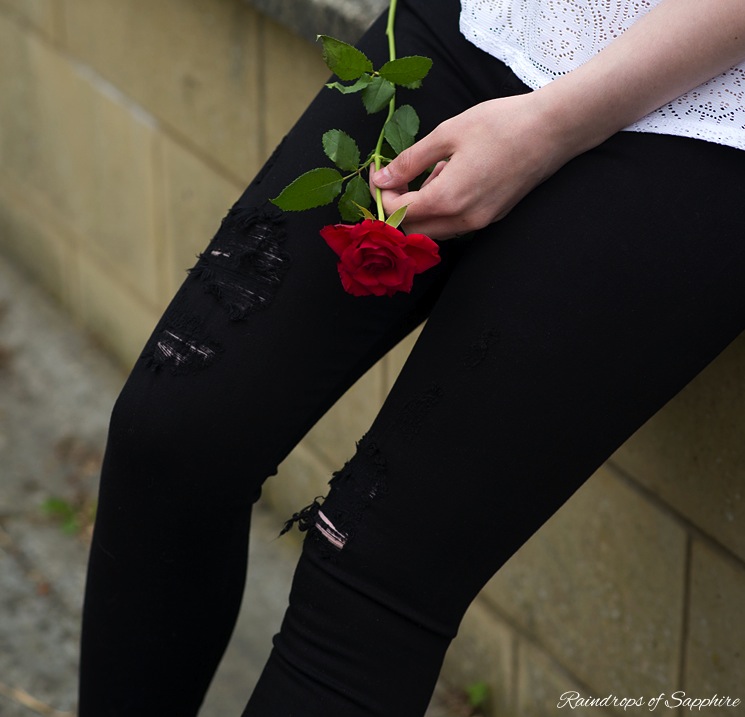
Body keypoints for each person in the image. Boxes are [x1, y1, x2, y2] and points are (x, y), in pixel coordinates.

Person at [78, 0, 745, 715]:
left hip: (710, 109)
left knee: (368, 571)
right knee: (172, 436)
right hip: (489, 20)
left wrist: (551, 124)